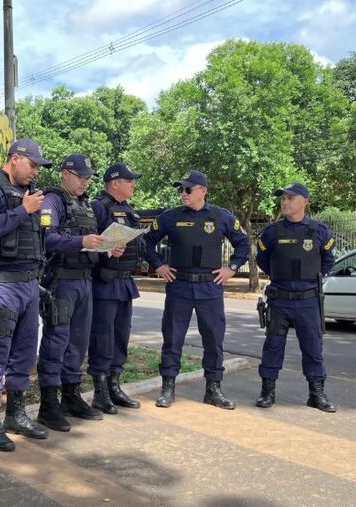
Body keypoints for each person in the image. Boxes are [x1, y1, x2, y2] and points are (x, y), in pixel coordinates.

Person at [0, 139, 51, 451]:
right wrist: (23, 210)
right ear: (14, 159)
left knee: (25, 353)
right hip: (2, 284)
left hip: (30, 284)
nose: (35, 172)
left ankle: (15, 414)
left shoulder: (28, 194)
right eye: (32, 165)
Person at [142, 170, 249, 410]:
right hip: (179, 285)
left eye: (188, 189)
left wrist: (231, 267)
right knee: (173, 338)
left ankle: (213, 389)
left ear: (203, 191)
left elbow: (243, 244)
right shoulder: (170, 217)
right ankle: (168, 387)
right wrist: (158, 265)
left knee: (213, 338)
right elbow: (146, 242)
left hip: (210, 286)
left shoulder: (221, 217)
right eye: (181, 189)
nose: (183, 193)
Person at [35, 154, 108, 432]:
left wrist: (106, 247)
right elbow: (47, 238)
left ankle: (70, 395)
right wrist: (81, 241)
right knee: (57, 342)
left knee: (78, 343)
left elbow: (88, 242)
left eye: (88, 178)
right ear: (65, 174)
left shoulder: (85, 205)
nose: (85, 182)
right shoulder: (53, 201)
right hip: (61, 282)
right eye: (81, 177)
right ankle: (48, 404)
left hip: (84, 282)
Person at [255, 183, 336, 412]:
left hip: (308, 300)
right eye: (283, 198)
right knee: (273, 346)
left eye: (290, 197)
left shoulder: (319, 230)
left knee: (313, 348)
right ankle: (267, 391)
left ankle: (316, 394)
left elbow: (328, 260)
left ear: (305, 201)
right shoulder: (272, 232)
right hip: (280, 299)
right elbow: (262, 259)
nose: (285, 201)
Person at [86, 163, 145, 414]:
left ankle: (114, 385)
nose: (133, 184)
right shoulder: (99, 207)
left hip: (124, 282)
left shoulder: (128, 210)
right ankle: (100, 391)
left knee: (121, 335)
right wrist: (107, 250)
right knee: (103, 337)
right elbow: (89, 244)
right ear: (114, 183)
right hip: (105, 282)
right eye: (129, 180)